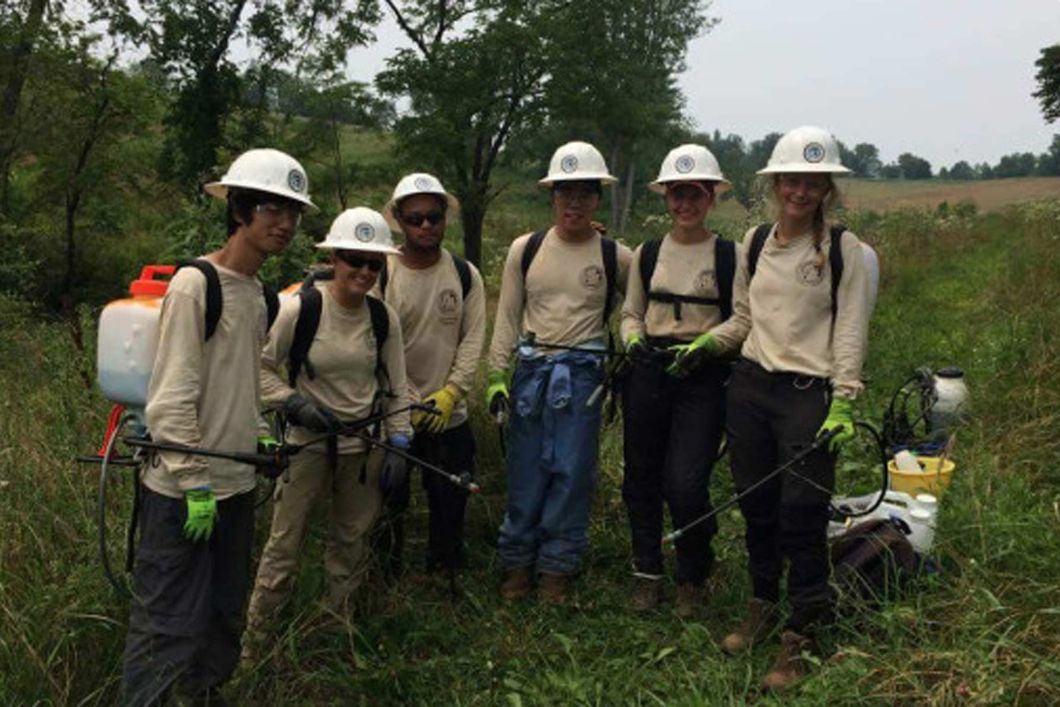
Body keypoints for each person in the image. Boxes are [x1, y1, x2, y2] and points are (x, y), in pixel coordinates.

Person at [121, 148, 313, 704]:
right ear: (239, 211)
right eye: (272, 209)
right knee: (166, 628)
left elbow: (238, 383)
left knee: (220, 622)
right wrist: (195, 480)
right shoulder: (194, 284)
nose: (285, 224)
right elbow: (171, 398)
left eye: (293, 213)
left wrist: (259, 435)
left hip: (235, 488)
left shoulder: (258, 294)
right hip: (183, 493)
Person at [700, 126, 870, 691]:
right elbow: (745, 319)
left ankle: (803, 628)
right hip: (749, 389)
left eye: (813, 182)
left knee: (802, 514)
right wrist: (708, 342)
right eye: (791, 179)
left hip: (806, 397)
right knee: (757, 507)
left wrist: (844, 399)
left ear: (828, 188)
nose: (800, 191)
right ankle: (761, 602)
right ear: (775, 182)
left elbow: (849, 331)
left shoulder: (848, 253)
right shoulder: (754, 242)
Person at [242, 207, 411, 658]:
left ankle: (336, 636)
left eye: (374, 263)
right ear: (334, 258)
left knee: (350, 549)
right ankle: (253, 647)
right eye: (354, 259)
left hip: (364, 450)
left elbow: (397, 386)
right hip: (308, 447)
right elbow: (258, 369)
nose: (364, 271)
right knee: (283, 547)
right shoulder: (301, 309)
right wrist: (294, 403)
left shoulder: (383, 318)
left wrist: (399, 442)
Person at [486, 141, 632, 604]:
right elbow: (507, 315)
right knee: (526, 469)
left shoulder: (616, 257)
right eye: (565, 192)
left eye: (585, 193)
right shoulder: (525, 250)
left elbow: (637, 311)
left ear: (597, 198)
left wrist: (631, 350)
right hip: (531, 372)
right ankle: (516, 562)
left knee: (572, 472)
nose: (574, 203)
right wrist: (495, 375)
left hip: (584, 375)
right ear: (552, 196)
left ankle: (557, 568)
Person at [618, 144, 734, 618]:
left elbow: (743, 318)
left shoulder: (730, 255)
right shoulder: (647, 254)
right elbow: (631, 312)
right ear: (665, 197)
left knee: (686, 483)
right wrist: (631, 340)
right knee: (640, 479)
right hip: (649, 372)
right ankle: (647, 573)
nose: (685, 204)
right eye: (676, 194)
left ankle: (693, 573)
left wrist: (708, 345)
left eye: (695, 194)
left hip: (703, 377)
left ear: (710, 197)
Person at [372, 173, 486, 586]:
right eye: (415, 218)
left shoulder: (464, 274)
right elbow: (379, 347)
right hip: (396, 418)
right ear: (400, 219)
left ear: (444, 219)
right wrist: (412, 400)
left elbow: (473, 341)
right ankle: (384, 584)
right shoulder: (382, 273)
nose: (425, 226)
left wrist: (451, 392)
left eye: (433, 217)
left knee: (450, 501)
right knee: (389, 504)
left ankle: (444, 578)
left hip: (448, 416)